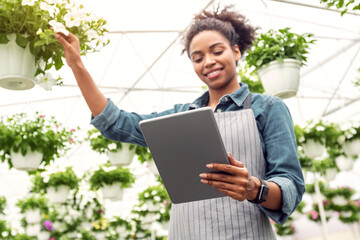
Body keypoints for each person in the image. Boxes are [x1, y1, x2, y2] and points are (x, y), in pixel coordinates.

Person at [55, 5, 304, 239]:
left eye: (217, 51)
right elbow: (116, 123)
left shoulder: (268, 109)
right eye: (198, 58)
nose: (208, 62)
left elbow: (290, 183)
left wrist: (254, 188)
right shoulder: (180, 116)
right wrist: (76, 64)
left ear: (236, 51)